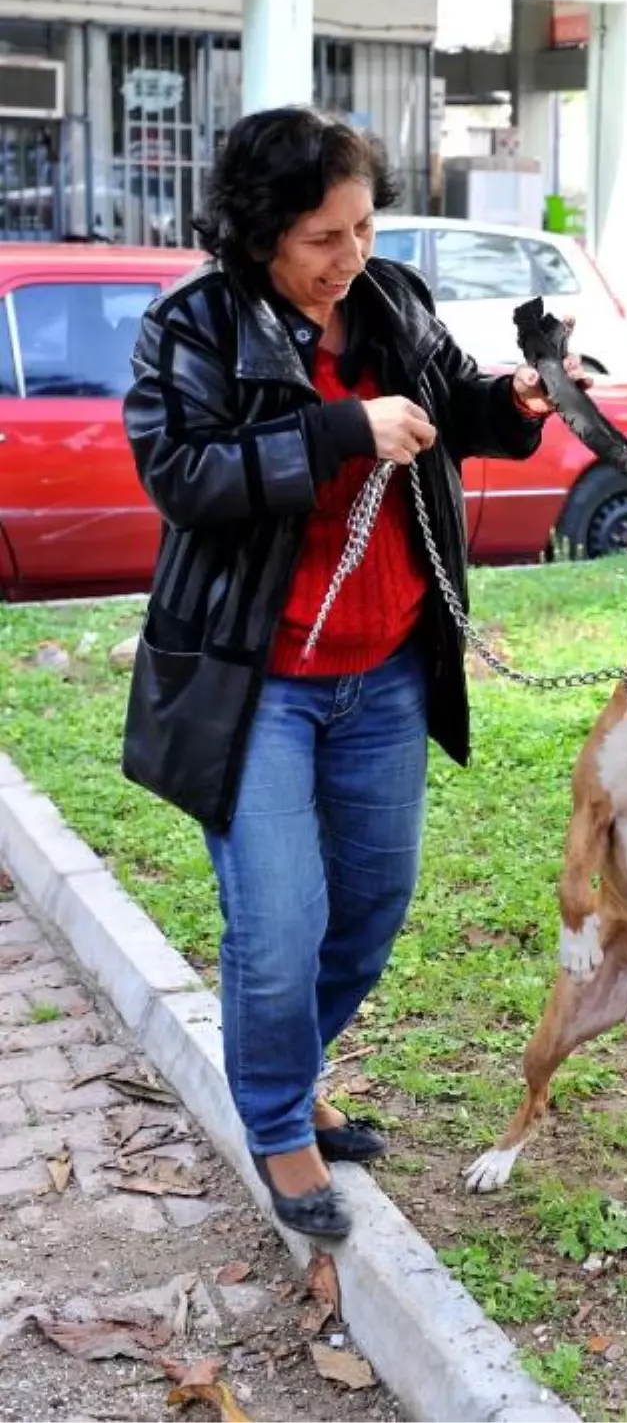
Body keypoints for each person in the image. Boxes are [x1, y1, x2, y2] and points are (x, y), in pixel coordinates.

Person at [121, 107, 590, 1240]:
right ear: (258, 236)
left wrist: (513, 404)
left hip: (384, 668)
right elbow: (183, 474)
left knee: (370, 906)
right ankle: (279, 1117)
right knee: (276, 925)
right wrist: (340, 430)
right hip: (259, 681)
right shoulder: (193, 324)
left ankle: (291, 1063)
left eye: (363, 226)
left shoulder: (392, 303)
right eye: (323, 237)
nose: (351, 256)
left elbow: (451, 407)